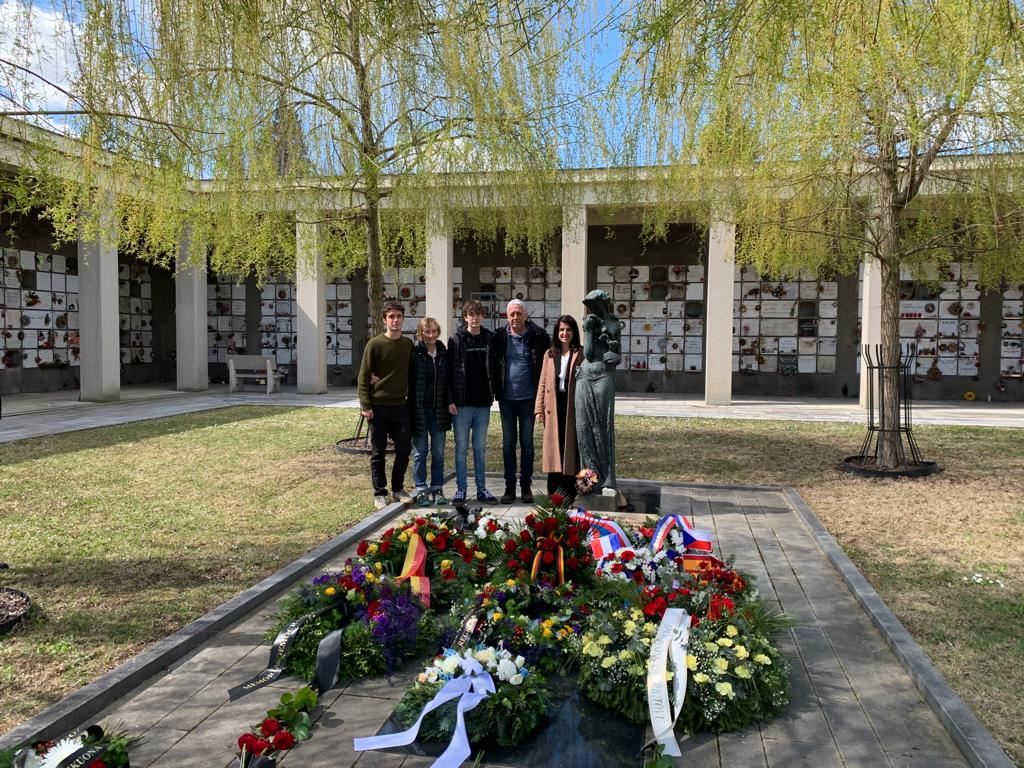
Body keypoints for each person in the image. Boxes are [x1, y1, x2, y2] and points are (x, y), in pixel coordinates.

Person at [488, 298, 550, 504]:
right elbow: (492, 364)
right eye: (512, 314)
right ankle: (509, 488)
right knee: (508, 445)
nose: (515, 317)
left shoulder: (538, 336)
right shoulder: (498, 337)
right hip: (506, 399)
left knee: (527, 444)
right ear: (507, 316)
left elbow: (548, 364)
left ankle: (526, 486)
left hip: (528, 400)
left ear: (525, 315)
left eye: (519, 314)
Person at [358, 301, 413, 510]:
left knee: (404, 449)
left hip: (401, 406)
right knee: (378, 452)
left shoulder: (408, 344)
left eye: (399, 316)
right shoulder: (375, 344)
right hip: (378, 407)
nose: (395, 320)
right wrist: (366, 405)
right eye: (391, 317)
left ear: (403, 319)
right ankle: (379, 492)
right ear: (384, 320)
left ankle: (398, 488)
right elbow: (364, 376)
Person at [447, 300, 498, 505]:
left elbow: (496, 366)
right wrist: (450, 400)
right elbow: (450, 373)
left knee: (479, 448)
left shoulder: (489, 338)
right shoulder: (456, 339)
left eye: (478, 314)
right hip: (462, 404)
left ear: (482, 317)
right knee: (461, 448)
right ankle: (461, 490)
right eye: (471, 314)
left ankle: (482, 489)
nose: (474, 318)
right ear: (465, 317)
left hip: (483, 404)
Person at [575, 289, 621, 492]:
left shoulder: (613, 322)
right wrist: (587, 331)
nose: (592, 308)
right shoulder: (588, 321)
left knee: (603, 425)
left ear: (604, 303)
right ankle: (588, 478)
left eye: (595, 304)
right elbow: (588, 353)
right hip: (585, 376)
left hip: (604, 375)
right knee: (583, 427)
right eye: (589, 305)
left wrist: (616, 356)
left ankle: (608, 477)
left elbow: (618, 353)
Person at [534, 315, 583, 501]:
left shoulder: (580, 353)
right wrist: (538, 408)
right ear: (556, 332)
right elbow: (543, 382)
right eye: (561, 330)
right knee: (554, 449)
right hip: (552, 407)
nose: (564, 333)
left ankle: (570, 491)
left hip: (571, 406)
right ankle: (554, 493)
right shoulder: (550, 354)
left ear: (573, 332)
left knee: (569, 447)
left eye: (568, 330)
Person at [409, 317, 451, 507]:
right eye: (427, 332)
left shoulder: (443, 353)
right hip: (419, 409)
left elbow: (448, 381)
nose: (431, 335)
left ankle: (437, 488)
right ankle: (420, 489)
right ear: (421, 333)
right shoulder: (415, 353)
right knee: (420, 452)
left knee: (438, 453)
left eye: (434, 331)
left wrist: (450, 402)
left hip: (439, 410)